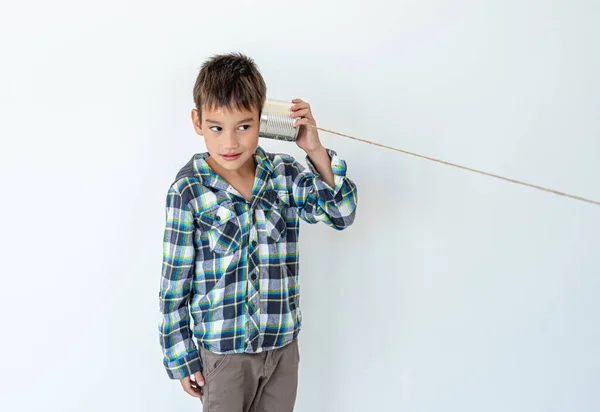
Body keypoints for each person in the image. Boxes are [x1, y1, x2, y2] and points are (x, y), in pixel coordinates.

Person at [158, 52, 358, 412]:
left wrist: (313, 147)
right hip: (224, 355)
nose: (230, 143)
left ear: (263, 121)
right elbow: (174, 283)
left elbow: (341, 212)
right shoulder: (188, 191)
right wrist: (180, 354)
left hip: (282, 349)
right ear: (198, 121)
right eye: (217, 127)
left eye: (244, 126)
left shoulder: (283, 176)